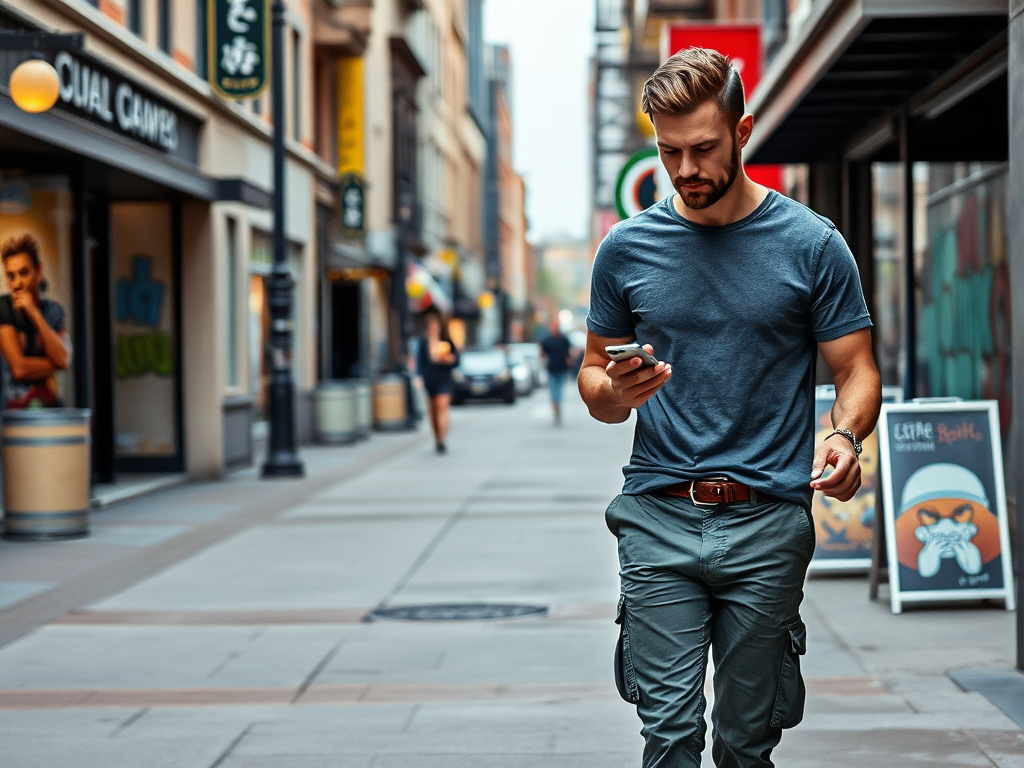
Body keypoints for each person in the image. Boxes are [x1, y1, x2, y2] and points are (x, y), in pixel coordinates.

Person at [578, 48, 881, 768]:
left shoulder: (813, 245)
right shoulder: (625, 250)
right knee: (671, 736)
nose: (685, 170)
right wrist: (613, 393)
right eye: (668, 152)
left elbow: (857, 370)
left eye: (704, 149)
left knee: (746, 746)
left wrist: (843, 435)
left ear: (743, 131)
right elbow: (594, 374)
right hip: (658, 517)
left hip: (769, 523)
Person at [0, 234, 70, 409]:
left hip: (45, 410)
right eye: (11, 276)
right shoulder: (3, 308)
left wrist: (34, 313)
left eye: (23, 273)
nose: (16, 284)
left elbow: (64, 357)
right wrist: (55, 364)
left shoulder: (53, 310)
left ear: (38, 272)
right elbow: (19, 369)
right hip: (8, 414)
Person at [416, 307, 459, 454]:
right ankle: (437, 437)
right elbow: (420, 362)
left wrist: (448, 359)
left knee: (442, 406)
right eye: (431, 326)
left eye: (436, 325)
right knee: (433, 410)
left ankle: (442, 439)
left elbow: (456, 360)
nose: (434, 328)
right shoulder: (423, 344)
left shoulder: (446, 342)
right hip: (430, 379)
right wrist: (418, 377)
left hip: (443, 378)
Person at [540, 319, 572, 424]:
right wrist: (543, 362)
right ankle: (556, 411)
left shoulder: (564, 340)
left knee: (559, 391)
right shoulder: (547, 340)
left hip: (562, 369)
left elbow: (569, 353)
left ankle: (557, 409)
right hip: (551, 369)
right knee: (554, 392)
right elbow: (542, 353)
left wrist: (569, 361)